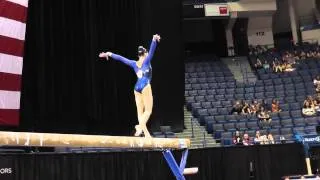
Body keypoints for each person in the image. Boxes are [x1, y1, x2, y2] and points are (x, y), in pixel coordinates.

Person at [99, 34, 161, 137]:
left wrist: (108, 54)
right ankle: (140, 127)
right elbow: (152, 51)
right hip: (145, 85)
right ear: (144, 54)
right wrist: (154, 40)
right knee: (148, 110)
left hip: (137, 88)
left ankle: (145, 133)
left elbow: (121, 59)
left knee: (140, 112)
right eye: (146, 53)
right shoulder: (147, 60)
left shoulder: (134, 63)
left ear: (138, 55)